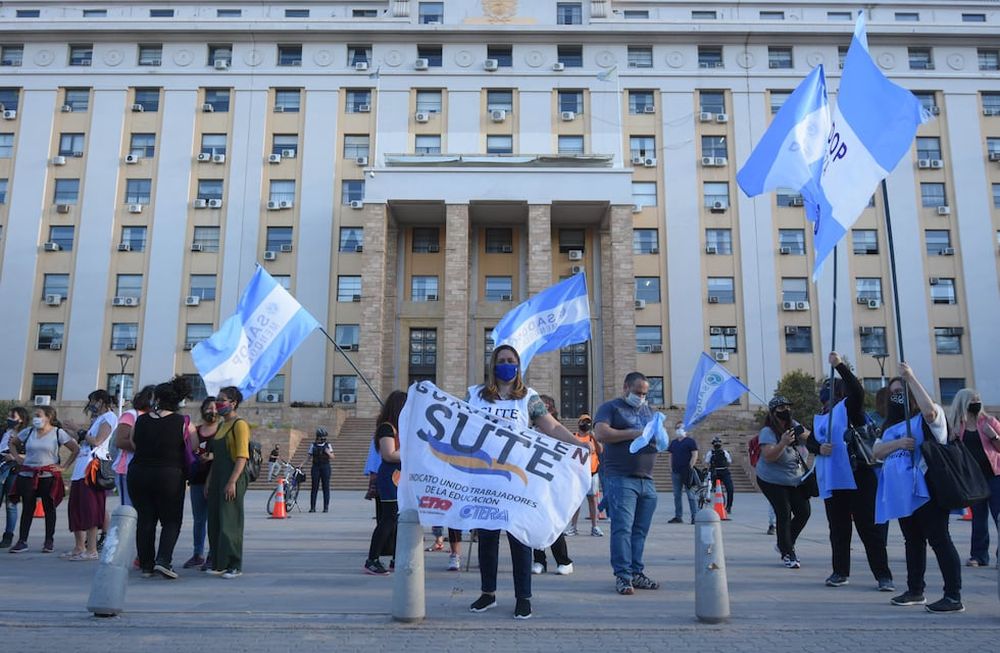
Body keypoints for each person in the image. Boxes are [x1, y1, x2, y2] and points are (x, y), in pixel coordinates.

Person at [466, 345, 583, 620]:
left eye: (512, 361)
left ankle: (523, 597)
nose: (507, 365)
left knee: (520, 539)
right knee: (487, 539)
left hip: (518, 479)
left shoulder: (528, 398)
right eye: (502, 361)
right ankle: (488, 594)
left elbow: (551, 426)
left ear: (518, 366)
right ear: (493, 364)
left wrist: (577, 443)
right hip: (485, 479)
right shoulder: (475, 396)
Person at [873, 363, 963, 613]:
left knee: (939, 540)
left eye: (901, 391)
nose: (896, 396)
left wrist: (910, 377)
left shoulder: (928, 418)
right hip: (903, 495)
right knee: (912, 541)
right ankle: (915, 590)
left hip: (929, 491)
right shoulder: (890, 427)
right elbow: (877, 451)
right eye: (893, 392)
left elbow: (931, 413)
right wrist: (899, 443)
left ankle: (953, 595)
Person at [807, 352, 893, 591]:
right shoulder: (821, 418)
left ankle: (883, 575)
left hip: (859, 476)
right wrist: (818, 447)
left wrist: (840, 366)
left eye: (830, 395)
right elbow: (811, 442)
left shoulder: (850, 410)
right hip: (833, 481)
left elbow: (858, 392)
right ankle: (840, 571)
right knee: (838, 529)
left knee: (869, 529)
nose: (826, 402)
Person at [593, 372, 661, 596]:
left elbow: (656, 437)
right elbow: (601, 432)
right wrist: (634, 433)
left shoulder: (648, 411)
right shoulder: (611, 408)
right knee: (622, 528)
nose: (641, 397)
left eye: (644, 393)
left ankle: (636, 572)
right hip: (621, 477)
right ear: (626, 388)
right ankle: (623, 576)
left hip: (647, 479)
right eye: (638, 392)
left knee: (640, 531)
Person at [124, 377, 196, 579]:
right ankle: (164, 561)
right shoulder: (184, 423)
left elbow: (133, 442)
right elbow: (194, 446)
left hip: (138, 473)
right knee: (171, 520)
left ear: (156, 399)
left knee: (145, 520)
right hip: (169, 475)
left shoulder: (141, 420)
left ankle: (146, 564)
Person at [6, 406, 79, 553]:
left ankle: (48, 541)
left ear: (48, 417)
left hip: (48, 476)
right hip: (28, 475)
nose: (35, 418)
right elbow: (13, 443)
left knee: (49, 508)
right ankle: (22, 541)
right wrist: (17, 458)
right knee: (27, 508)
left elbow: (75, 449)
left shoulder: (58, 433)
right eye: (35, 415)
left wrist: (64, 467)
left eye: (38, 415)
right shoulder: (29, 432)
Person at [755, 395, 812, 569]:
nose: (785, 410)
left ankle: (784, 543)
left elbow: (811, 437)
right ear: (773, 412)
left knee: (804, 512)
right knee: (784, 512)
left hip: (794, 478)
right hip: (771, 479)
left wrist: (807, 434)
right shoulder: (767, 432)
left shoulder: (793, 425)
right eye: (780, 408)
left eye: (787, 407)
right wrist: (783, 443)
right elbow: (769, 456)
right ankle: (788, 553)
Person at [946, 388, 1000, 568]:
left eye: (978, 399)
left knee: (998, 516)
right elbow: (951, 453)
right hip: (972, 479)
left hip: (994, 476)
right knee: (978, 518)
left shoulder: (989, 422)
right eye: (972, 400)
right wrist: (952, 440)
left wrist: (994, 436)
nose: (976, 403)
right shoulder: (956, 425)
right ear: (963, 403)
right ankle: (979, 555)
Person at [64, 390, 118, 561]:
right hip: (81, 467)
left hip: (92, 469)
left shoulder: (109, 417)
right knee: (76, 508)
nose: (91, 405)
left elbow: (97, 441)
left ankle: (92, 549)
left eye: (93, 401)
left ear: (101, 401)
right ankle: (79, 547)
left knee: (90, 509)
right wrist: (70, 431)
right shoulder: (97, 420)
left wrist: (77, 429)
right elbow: (86, 439)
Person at [206, 386, 250, 579]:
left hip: (233, 475)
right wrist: (209, 481)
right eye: (218, 399)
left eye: (222, 399)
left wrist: (232, 481)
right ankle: (218, 562)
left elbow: (242, 456)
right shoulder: (222, 424)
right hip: (217, 476)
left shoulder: (239, 425)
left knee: (230, 521)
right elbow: (215, 458)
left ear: (233, 403)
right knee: (215, 521)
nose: (218, 403)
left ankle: (234, 564)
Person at [531, 395, 574, 576]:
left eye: (545, 408)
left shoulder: (558, 431)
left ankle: (564, 560)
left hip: (552, 483)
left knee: (552, 522)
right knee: (533, 523)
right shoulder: (528, 429)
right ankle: (539, 560)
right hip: (531, 482)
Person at [364, 390, 406, 575]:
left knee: (398, 520)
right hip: (390, 478)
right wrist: (411, 453)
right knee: (388, 519)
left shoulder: (400, 429)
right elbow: (388, 455)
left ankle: (397, 558)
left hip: (399, 478)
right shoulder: (387, 428)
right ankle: (372, 560)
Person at [184, 397, 218, 570]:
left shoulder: (222, 431)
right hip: (197, 479)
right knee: (199, 520)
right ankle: (198, 554)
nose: (212, 411)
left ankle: (213, 554)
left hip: (215, 481)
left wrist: (213, 457)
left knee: (213, 519)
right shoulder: (195, 431)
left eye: (215, 408)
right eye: (208, 408)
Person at [110, 385, 155, 508]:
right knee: (128, 509)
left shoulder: (156, 417)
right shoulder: (131, 415)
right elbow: (120, 441)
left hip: (147, 469)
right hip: (126, 469)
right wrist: (146, 448)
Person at [568, 413, 603, 537]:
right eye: (584, 422)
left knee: (593, 500)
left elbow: (600, 451)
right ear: (579, 423)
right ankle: (573, 526)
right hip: (577, 473)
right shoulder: (574, 437)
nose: (586, 424)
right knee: (576, 501)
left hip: (592, 472)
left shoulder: (592, 438)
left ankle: (595, 526)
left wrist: (594, 438)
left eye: (588, 422)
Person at [1, 407, 29, 548]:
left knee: (11, 504)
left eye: (13, 416)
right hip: (1, 467)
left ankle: (8, 535)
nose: (9, 418)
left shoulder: (25, 434)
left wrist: (14, 456)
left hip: (13, 469)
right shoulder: (4, 432)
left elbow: (30, 454)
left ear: (21, 419)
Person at [666, 421, 699, 524]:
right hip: (676, 471)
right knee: (677, 495)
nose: (679, 429)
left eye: (681, 427)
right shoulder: (674, 442)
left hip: (686, 471)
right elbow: (670, 455)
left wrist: (690, 467)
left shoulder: (690, 441)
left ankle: (695, 516)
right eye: (677, 427)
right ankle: (678, 516)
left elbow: (694, 454)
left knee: (690, 495)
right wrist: (670, 468)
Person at [704, 436, 734, 515]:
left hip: (724, 471)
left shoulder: (724, 452)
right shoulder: (710, 453)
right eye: (715, 443)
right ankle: (715, 503)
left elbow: (729, 462)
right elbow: (707, 463)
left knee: (730, 489)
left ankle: (729, 506)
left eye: (718, 443)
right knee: (714, 489)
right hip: (715, 472)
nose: (717, 445)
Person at [306, 429, 335, 513]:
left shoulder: (328, 445)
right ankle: (312, 507)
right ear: (318, 437)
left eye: (324, 437)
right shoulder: (313, 445)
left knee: (326, 487)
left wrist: (328, 453)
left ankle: (326, 507)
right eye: (321, 437)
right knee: (314, 487)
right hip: (315, 467)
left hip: (325, 467)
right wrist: (301, 464)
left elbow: (333, 456)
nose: (323, 438)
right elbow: (308, 457)